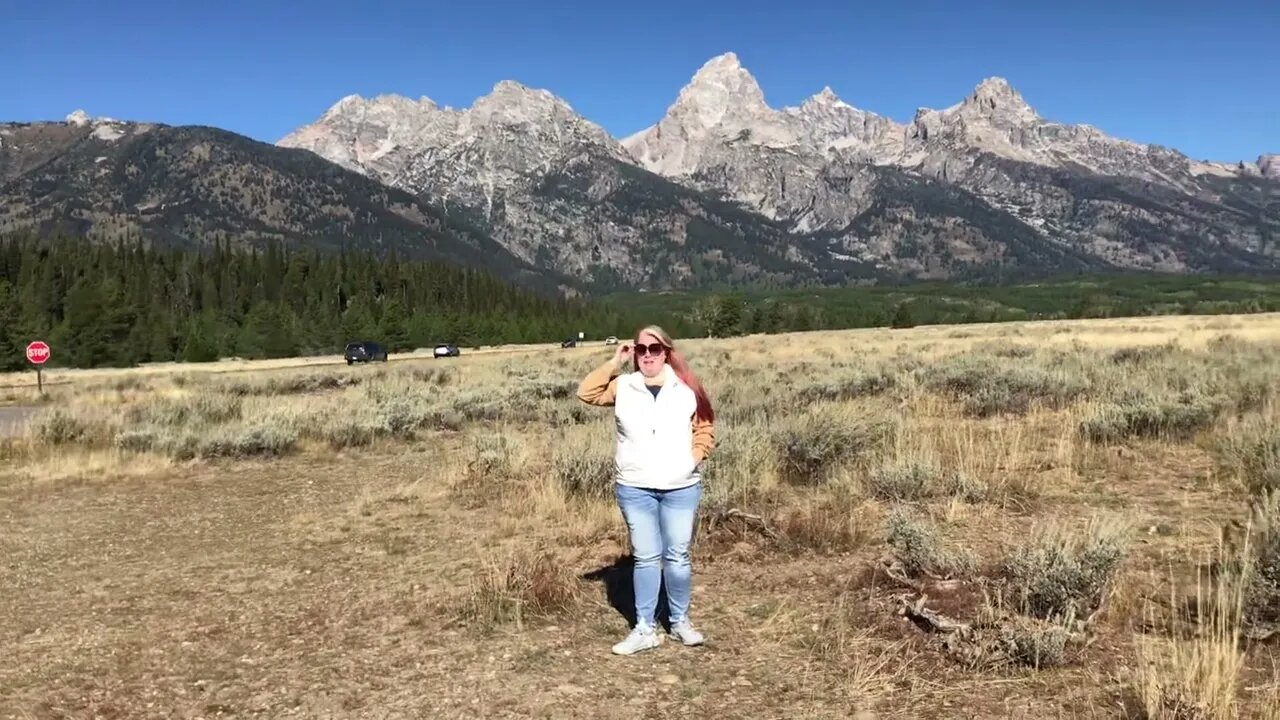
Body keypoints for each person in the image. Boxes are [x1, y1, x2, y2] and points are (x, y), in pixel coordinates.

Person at [576, 325, 715, 655]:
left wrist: (692, 460)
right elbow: (587, 392)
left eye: (654, 349)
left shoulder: (686, 388)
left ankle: (680, 621)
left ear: (666, 351)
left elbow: (705, 427)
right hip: (635, 488)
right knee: (646, 558)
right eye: (641, 349)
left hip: (680, 487)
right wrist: (614, 362)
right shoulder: (624, 386)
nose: (648, 355)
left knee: (677, 558)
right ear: (634, 353)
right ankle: (645, 628)